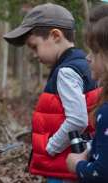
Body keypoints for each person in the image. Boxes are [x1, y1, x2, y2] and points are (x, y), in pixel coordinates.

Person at [3, 3, 100, 183]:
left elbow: (78, 119)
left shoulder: (66, 72)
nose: (33, 54)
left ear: (55, 36)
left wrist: (50, 147)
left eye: (34, 47)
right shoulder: (87, 65)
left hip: (64, 167)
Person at [66, 3, 108, 183]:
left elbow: (102, 173)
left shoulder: (106, 113)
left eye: (95, 51)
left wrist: (77, 166)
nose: (88, 57)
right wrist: (91, 148)